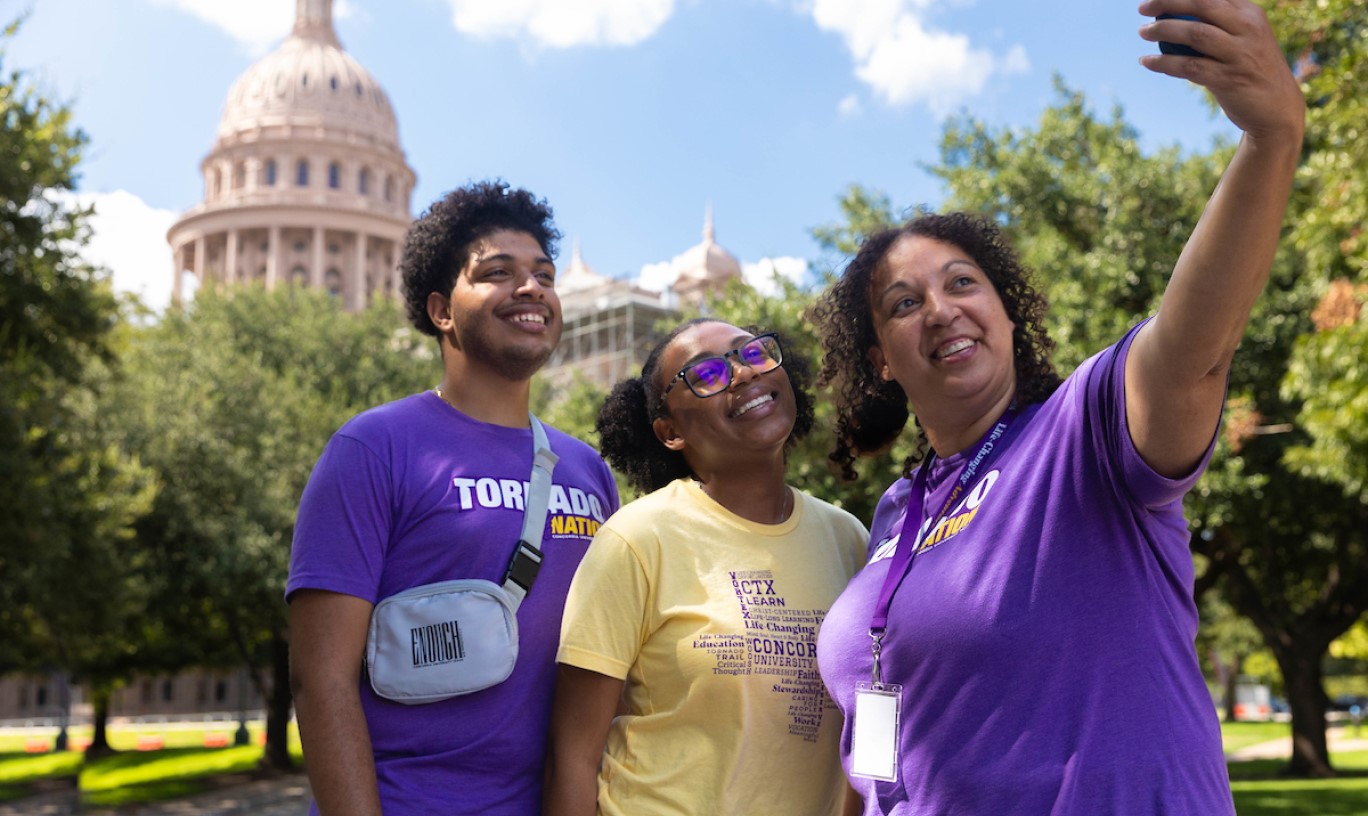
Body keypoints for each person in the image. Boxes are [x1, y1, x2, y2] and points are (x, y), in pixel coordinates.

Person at [809, 3, 1305, 814]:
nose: (941, 309)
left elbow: (1194, 349)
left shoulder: (1086, 432)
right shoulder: (899, 510)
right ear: (881, 361)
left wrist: (1270, 139)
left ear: (1008, 316)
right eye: (904, 303)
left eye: (963, 283)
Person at [287, 180, 620, 815]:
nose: (531, 288)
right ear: (442, 310)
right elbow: (321, 679)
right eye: (498, 272)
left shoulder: (587, 471)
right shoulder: (373, 448)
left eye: (544, 275)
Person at [543, 319, 868, 816]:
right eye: (708, 374)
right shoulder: (637, 538)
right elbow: (572, 757)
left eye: (754, 354)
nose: (744, 373)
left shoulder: (849, 540)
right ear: (670, 432)